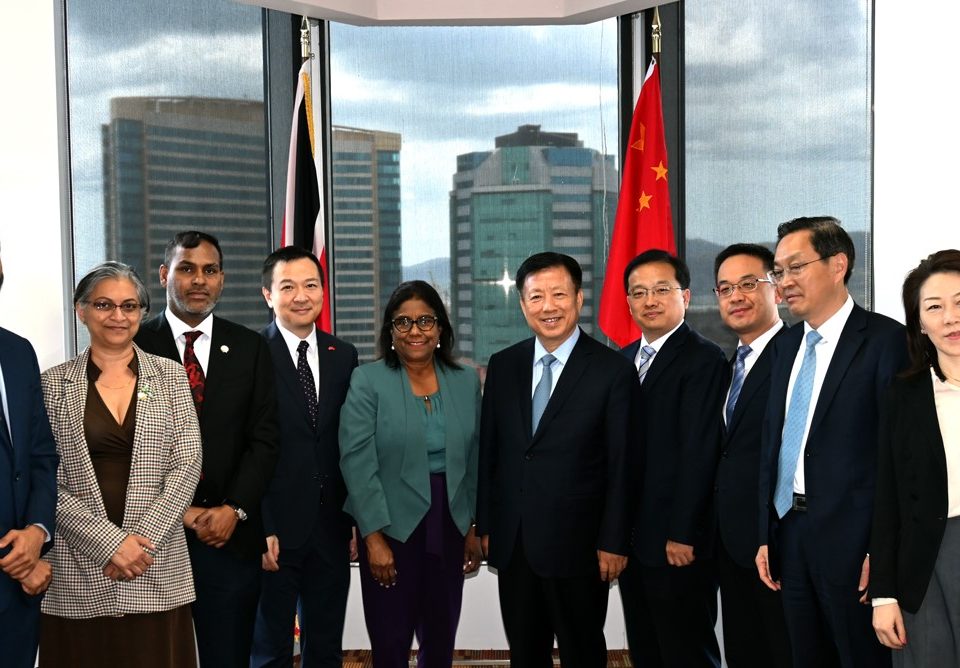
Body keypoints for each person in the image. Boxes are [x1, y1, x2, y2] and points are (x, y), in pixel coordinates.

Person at [756, 217, 907, 668]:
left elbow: (897, 461)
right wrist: (765, 532)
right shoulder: (784, 347)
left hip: (854, 542)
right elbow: (773, 443)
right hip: (790, 534)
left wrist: (881, 552)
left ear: (838, 264)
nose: (784, 282)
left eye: (795, 267)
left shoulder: (887, 342)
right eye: (778, 271)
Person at [37, 261, 202, 667]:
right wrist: (110, 544)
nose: (118, 316)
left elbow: (188, 462)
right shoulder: (51, 383)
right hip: (79, 565)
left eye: (130, 306)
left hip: (156, 562)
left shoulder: (170, 376)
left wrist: (139, 544)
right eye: (104, 305)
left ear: (142, 313)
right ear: (81, 310)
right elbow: (43, 477)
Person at [477, 252, 636, 668]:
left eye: (559, 294)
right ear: (523, 304)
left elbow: (623, 464)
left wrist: (614, 540)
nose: (548, 307)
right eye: (536, 297)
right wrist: (487, 524)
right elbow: (490, 453)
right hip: (515, 542)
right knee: (525, 653)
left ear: (580, 299)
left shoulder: (612, 370)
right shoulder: (503, 364)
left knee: (582, 649)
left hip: (581, 545)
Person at [134, 231, 279, 667]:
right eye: (186, 268)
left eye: (210, 270)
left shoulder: (251, 346)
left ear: (222, 279)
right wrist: (180, 512)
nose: (199, 280)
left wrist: (233, 509)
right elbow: (129, 448)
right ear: (164, 275)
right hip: (151, 540)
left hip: (228, 540)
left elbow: (265, 439)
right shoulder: (135, 344)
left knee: (228, 658)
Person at [339, 280, 483, 667]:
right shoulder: (367, 380)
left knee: (440, 637)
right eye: (403, 322)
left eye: (425, 320)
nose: (415, 330)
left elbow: (474, 459)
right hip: (390, 526)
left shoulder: (466, 380)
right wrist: (373, 538)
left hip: (449, 524)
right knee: (391, 640)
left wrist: (470, 527)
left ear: (441, 329)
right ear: (389, 331)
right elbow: (357, 462)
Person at [617, 249, 728, 668]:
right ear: (628, 302)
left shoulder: (704, 359)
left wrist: (683, 533)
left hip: (677, 542)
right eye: (639, 292)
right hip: (633, 541)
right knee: (646, 648)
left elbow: (700, 452)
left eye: (662, 289)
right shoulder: (623, 360)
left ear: (685, 295)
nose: (650, 300)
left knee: (687, 651)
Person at [251, 246, 358, 668]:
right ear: (267, 295)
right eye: (288, 286)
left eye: (311, 285)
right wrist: (260, 525)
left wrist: (352, 520)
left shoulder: (343, 355)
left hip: (331, 527)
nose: (301, 296)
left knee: (326, 647)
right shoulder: (251, 353)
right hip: (274, 530)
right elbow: (246, 449)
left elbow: (348, 443)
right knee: (269, 649)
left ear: (323, 292)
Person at [870, 249, 960, 666]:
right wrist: (884, 594)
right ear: (920, 323)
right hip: (928, 561)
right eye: (935, 307)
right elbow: (887, 500)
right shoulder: (904, 396)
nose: (950, 318)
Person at [711, 244, 791, 667]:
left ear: (776, 289)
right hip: (732, 542)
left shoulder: (797, 355)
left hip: (778, 542)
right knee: (743, 651)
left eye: (748, 284)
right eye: (725, 288)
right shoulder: (729, 365)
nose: (736, 296)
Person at [0, 241, 59, 668]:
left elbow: (40, 456)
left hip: (20, 595)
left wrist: (38, 531)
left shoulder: (19, 352)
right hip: (18, 570)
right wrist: (16, 561)